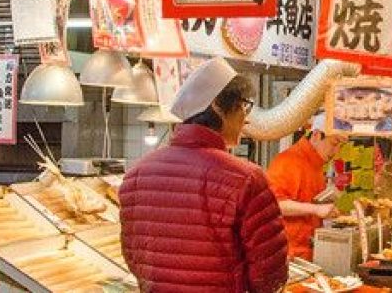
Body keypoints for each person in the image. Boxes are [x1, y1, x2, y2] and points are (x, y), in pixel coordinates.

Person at [120, 58, 288, 292]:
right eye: (244, 105)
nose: (246, 117)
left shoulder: (135, 175)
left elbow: (132, 256)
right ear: (218, 106)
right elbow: (270, 272)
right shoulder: (247, 179)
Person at [266, 112, 346, 260]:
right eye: (334, 143)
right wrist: (316, 209)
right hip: (288, 255)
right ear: (316, 135)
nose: (336, 152)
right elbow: (273, 204)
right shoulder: (287, 162)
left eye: (340, 146)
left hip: (308, 252)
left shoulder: (316, 163)